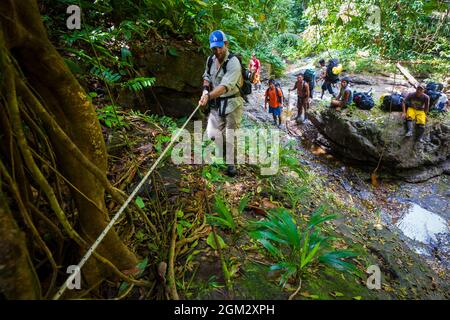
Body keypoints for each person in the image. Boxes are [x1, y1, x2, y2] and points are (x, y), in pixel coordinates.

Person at [199, 30, 244, 177]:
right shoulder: (210, 60)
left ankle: (231, 163)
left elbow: (225, 86)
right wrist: (205, 90)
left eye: (219, 47)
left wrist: (209, 96)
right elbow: (207, 76)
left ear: (225, 44)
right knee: (212, 133)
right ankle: (222, 151)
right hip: (217, 103)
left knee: (231, 134)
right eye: (214, 48)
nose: (217, 51)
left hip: (233, 103)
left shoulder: (233, 63)